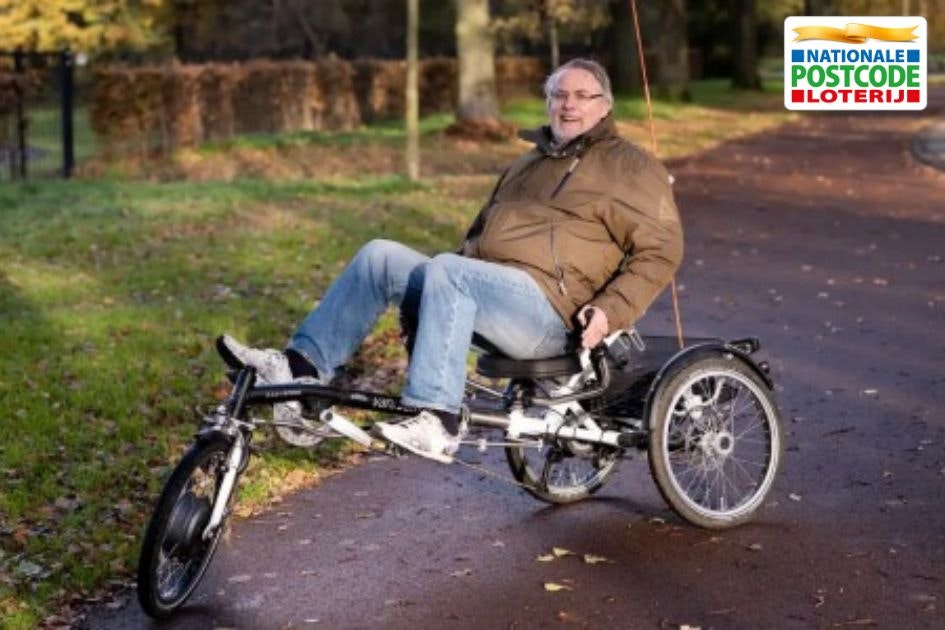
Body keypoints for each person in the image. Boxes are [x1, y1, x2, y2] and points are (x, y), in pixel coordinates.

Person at [221, 58, 683, 464]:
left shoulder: (630, 166)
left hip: (552, 316)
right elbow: (476, 244)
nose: (569, 104)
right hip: (489, 295)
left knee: (449, 269)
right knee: (380, 256)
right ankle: (302, 370)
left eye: (584, 96)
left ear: (605, 106)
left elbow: (661, 251)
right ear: (547, 103)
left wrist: (610, 311)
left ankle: (437, 418)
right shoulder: (527, 163)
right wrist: (423, 305)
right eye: (559, 94)